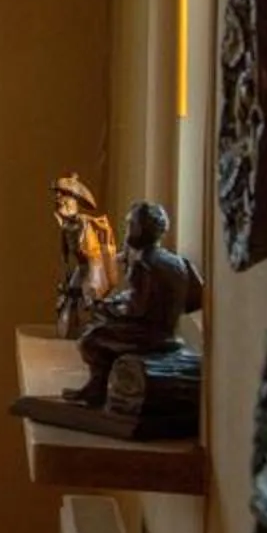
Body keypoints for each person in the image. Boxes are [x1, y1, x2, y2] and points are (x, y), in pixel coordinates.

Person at [70, 200, 205, 406]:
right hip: (170, 334)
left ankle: (96, 390)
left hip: (148, 337)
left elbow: (135, 310)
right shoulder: (178, 261)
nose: (127, 230)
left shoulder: (143, 263)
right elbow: (195, 299)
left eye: (131, 225)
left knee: (91, 339)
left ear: (142, 230)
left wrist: (105, 307)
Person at [54, 174, 118, 340]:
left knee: (89, 300)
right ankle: (74, 327)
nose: (59, 199)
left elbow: (92, 254)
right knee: (70, 298)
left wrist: (91, 280)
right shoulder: (66, 227)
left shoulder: (86, 224)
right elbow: (65, 256)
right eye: (58, 195)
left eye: (64, 195)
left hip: (91, 267)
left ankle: (95, 330)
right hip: (81, 267)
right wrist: (65, 279)